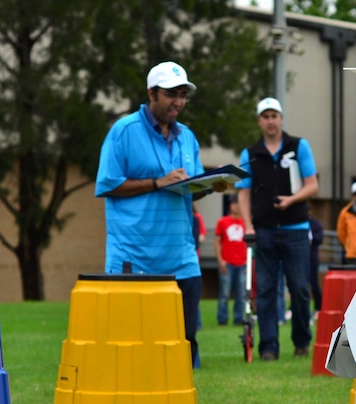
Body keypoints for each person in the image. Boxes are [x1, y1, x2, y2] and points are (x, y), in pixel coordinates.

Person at [95, 61, 208, 378]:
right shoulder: (124, 131)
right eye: (171, 94)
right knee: (127, 344)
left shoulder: (188, 137)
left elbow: (188, 188)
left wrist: (210, 186)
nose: (178, 102)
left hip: (182, 258)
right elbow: (108, 184)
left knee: (185, 340)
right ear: (151, 94)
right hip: (133, 258)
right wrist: (159, 182)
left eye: (183, 95)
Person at [236, 97, 318, 361]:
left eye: (275, 116)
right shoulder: (250, 153)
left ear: (281, 119)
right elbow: (243, 193)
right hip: (264, 231)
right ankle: (268, 347)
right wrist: (248, 225)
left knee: (299, 288)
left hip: (295, 227)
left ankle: (302, 341)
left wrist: (291, 200)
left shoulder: (298, 146)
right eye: (266, 116)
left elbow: (312, 185)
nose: (270, 121)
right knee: (267, 291)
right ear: (259, 121)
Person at [214, 196, 246, 326]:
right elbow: (216, 242)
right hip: (227, 262)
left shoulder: (245, 222)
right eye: (234, 203)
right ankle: (222, 319)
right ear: (230, 205)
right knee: (224, 294)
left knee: (241, 294)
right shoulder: (223, 222)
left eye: (239, 203)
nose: (237, 206)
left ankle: (238, 318)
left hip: (242, 263)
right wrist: (220, 260)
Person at [308, 208, 324, 320]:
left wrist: (311, 239)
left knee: (314, 284)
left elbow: (319, 238)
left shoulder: (316, 224)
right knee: (300, 286)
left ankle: (318, 308)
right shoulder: (300, 223)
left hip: (312, 258)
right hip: (300, 258)